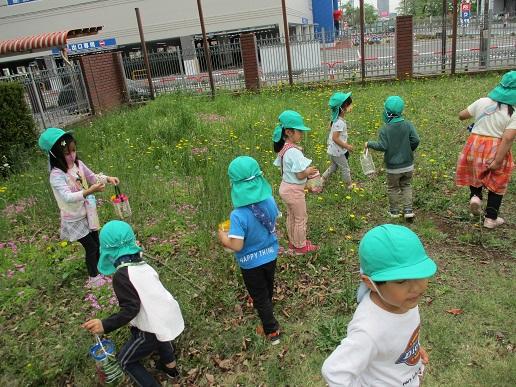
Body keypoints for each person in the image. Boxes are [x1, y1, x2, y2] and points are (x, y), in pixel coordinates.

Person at [322, 224, 437, 386]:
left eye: (420, 274)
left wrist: (412, 350)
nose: (417, 287)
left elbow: (398, 337)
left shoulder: (404, 300)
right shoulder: (369, 330)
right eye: (401, 281)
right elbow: (334, 372)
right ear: (370, 283)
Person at [82, 220, 185, 385]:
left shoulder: (122, 276)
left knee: (125, 360)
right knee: (161, 334)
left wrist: (105, 324)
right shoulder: (144, 265)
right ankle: (171, 368)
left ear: (109, 252)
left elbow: (130, 309)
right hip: (166, 314)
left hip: (148, 329)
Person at [38, 128, 119, 285]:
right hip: (74, 218)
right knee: (91, 247)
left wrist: (108, 178)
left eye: (74, 150)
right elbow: (68, 197)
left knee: (97, 242)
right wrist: (89, 190)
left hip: (88, 212)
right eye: (67, 153)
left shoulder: (78, 165)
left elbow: (92, 176)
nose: (72, 155)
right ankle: (93, 278)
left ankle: (101, 269)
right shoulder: (56, 175)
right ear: (56, 154)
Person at [218, 156, 281, 345]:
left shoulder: (237, 215)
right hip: (271, 255)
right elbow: (272, 221)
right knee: (267, 286)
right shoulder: (269, 200)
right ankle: (267, 304)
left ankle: (271, 331)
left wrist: (223, 237)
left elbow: (237, 245)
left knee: (259, 294)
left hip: (250, 263)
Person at [456, 70, 515, 228]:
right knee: (498, 182)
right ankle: (491, 218)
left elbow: (462, 115)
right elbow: (508, 138)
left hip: (474, 145)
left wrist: (473, 113)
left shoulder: (482, 101)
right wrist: (498, 160)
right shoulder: (513, 113)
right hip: (495, 148)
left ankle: (475, 196)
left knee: (476, 173)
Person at [272, 110, 319, 255]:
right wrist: (309, 171)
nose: (302, 134)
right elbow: (299, 175)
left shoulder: (285, 148)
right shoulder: (294, 152)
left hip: (285, 188)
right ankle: (300, 246)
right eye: (299, 131)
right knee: (300, 218)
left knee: (291, 216)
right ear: (289, 132)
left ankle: (294, 242)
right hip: (294, 191)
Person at [366, 96, 420, 219]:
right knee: (406, 185)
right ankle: (408, 210)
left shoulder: (385, 129)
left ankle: (394, 212)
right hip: (408, 165)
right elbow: (416, 139)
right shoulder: (408, 125)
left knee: (393, 188)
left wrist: (369, 144)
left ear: (387, 112)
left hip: (393, 167)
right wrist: (409, 149)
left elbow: (383, 145)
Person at [322, 92, 354, 189]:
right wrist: (347, 146)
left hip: (333, 150)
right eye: (349, 105)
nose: (350, 107)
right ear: (342, 108)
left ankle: (322, 179)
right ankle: (349, 185)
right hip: (338, 151)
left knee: (334, 166)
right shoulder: (339, 122)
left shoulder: (336, 119)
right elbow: (335, 138)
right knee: (345, 168)